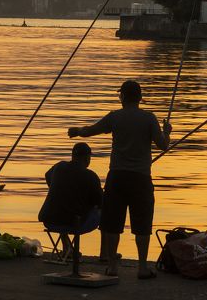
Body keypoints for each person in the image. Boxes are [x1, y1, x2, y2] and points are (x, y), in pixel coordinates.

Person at [68, 80, 171, 279]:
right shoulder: (149, 118)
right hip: (140, 178)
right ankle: (142, 267)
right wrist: (167, 131)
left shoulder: (115, 117)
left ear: (122, 96)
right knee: (142, 223)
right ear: (140, 98)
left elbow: (91, 130)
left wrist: (77, 131)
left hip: (117, 177)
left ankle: (113, 266)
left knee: (113, 221)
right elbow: (164, 146)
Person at [38, 142, 103, 255]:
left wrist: (58, 189)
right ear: (87, 158)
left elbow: (47, 176)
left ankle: (67, 248)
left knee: (64, 207)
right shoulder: (91, 176)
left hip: (49, 220)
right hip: (74, 224)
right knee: (105, 212)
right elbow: (99, 202)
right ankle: (105, 254)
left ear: (73, 156)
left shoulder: (59, 167)